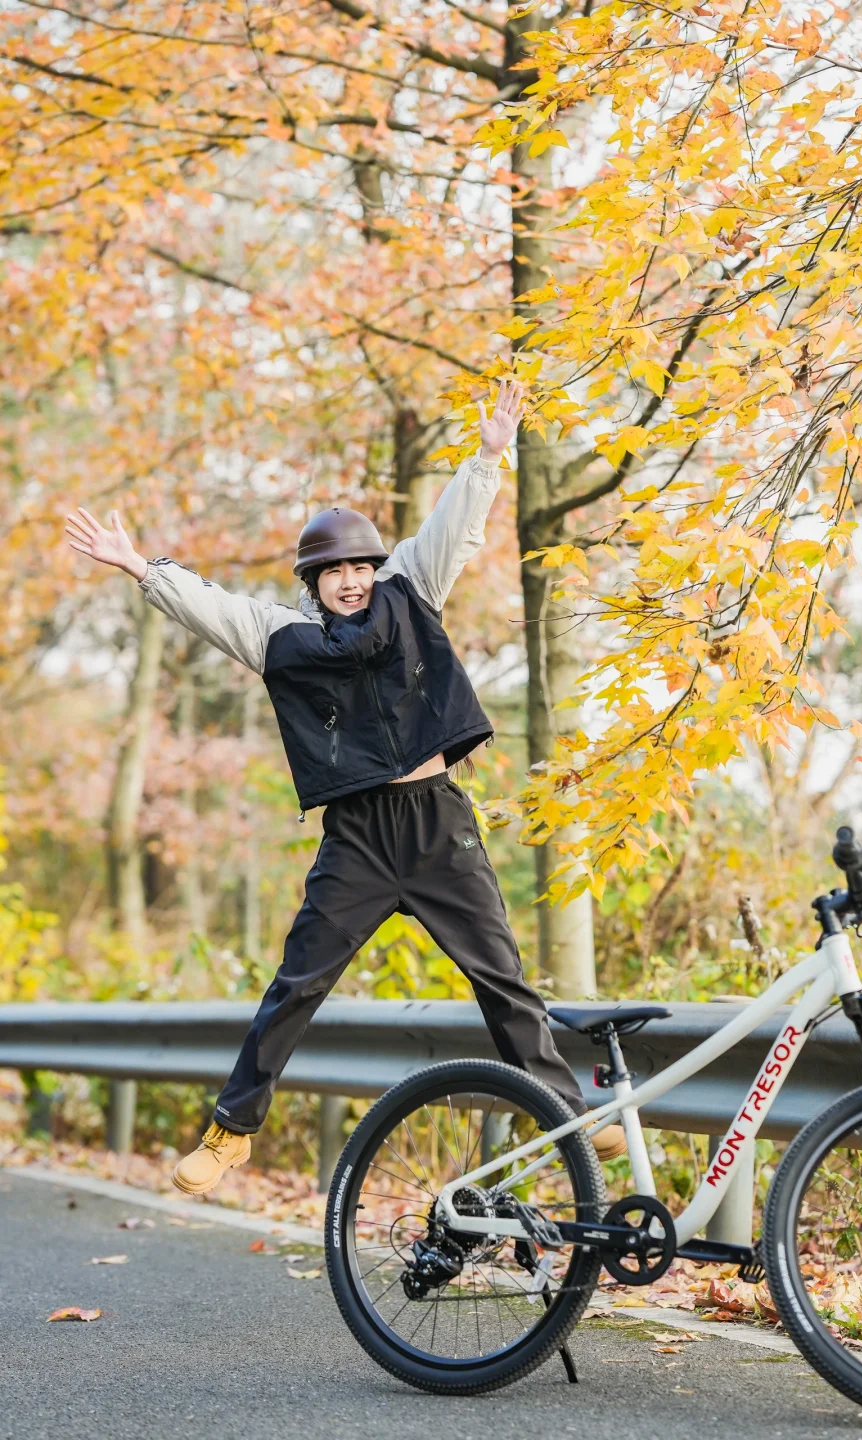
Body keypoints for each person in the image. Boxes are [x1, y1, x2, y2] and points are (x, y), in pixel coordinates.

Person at [66, 378, 625, 1193]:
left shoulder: (411, 591)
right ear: (314, 582)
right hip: (359, 836)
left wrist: (488, 456)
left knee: (501, 978)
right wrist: (139, 567)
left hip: (436, 824)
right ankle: (230, 1133)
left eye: (363, 564)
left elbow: (452, 530)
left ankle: (569, 1112)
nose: (355, 579)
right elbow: (210, 606)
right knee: (298, 981)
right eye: (337, 572)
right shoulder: (282, 637)